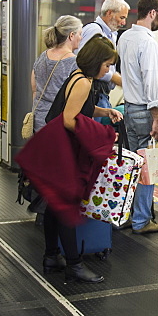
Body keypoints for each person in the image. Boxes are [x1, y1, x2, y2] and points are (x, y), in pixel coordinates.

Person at [36, 36, 123, 282]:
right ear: (96, 62)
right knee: (65, 208)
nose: (108, 70)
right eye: (107, 65)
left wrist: (104, 111)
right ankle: (74, 264)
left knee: (54, 207)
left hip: (55, 148)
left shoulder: (78, 77)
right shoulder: (84, 83)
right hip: (63, 151)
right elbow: (68, 119)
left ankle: (52, 255)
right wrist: (102, 134)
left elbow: (79, 108)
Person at [116, 0, 158, 235]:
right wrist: (157, 118)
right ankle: (141, 221)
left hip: (129, 108)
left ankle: (127, 215)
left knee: (133, 167)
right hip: (145, 112)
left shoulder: (124, 37)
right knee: (148, 167)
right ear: (152, 13)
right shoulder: (148, 42)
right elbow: (151, 82)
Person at [77, 0, 128, 116]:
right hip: (93, 94)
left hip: (101, 94)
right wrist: (116, 79)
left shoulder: (111, 34)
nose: (123, 22)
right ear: (109, 13)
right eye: (121, 17)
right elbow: (88, 64)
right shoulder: (94, 31)